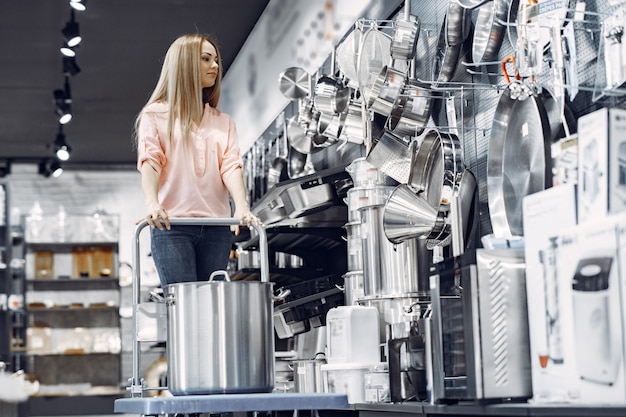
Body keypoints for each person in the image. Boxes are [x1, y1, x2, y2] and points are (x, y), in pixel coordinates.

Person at [134, 33, 259, 287]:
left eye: (215, 60)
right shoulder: (155, 115)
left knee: (211, 309)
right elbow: (151, 160)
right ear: (185, 64)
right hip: (173, 226)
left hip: (217, 227)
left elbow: (231, 165)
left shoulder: (223, 122)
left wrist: (242, 206)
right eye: (205, 59)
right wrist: (152, 203)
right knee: (182, 308)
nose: (215, 66)